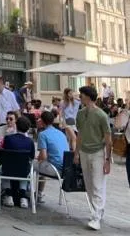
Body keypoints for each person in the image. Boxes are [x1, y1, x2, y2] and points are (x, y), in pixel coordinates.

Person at [75, 85, 112, 231]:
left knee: (97, 185)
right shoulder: (80, 114)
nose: (79, 97)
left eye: (81, 94)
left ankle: (96, 217)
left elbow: (108, 139)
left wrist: (108, 160)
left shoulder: (102, 115)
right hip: (84, 152)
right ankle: (97, 211)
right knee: (89, 185)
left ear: (88, 96)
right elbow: (79, 135)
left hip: (98, 153)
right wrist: (76, 152)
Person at [0, 115, 35, 209]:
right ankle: (23, 196)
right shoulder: (30, 142)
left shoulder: (8, 139)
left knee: (3, 168)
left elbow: (2, 154)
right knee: (25, 169)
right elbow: (32, 156)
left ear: (16, 125)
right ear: (28, 128)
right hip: (23, 171)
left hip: (8, 169)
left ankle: (8, 194)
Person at [34, 110, 69, 203]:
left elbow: (44, 157)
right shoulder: (61, 133)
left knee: (30, 164)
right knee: (42, 163)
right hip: (66, 168)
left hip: (55, 169)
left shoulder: (43, 134)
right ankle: (39, 193)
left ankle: (26, 191)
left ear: (42, 121)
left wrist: (36, 158)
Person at [0, 74, 20, 141]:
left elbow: (16, 110)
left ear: (1, 82)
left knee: (9, 145)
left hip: (8, 125)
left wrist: (19, 126)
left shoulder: (10, 94)